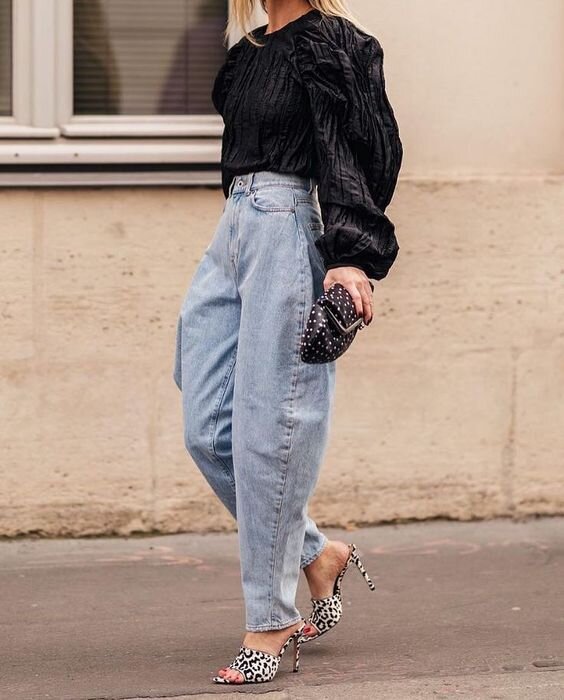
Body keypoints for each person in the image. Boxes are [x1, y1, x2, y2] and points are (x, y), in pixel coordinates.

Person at [172, 0, 403, 685]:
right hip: (233, 228)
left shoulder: (332, 43)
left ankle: (270, 619)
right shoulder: (246, 53)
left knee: (272, 428)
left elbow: (360, 151)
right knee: (208, 427)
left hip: (286, 222)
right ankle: (317, 553)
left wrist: (350, 254)